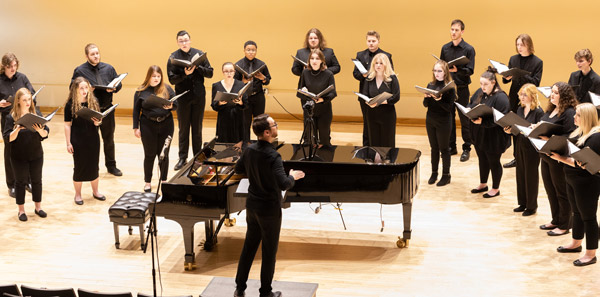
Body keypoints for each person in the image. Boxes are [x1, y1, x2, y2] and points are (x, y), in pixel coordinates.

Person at [234, 114, 305, 297]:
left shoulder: (249, 150)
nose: (276, 127)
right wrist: (293, 176)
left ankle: (240, 287)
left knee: (249, 246)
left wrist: (255, 172)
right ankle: (265, 292)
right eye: (274, 125)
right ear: (267, 132)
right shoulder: (274, 155)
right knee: (268, 251)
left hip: (252, 206)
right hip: (269, 209)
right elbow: (284, 184)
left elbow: (238, 169)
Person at [551, 103, 600, 266]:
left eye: (577, 114)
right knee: (576, 213)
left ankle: (591, 253)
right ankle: (576, 243)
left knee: (588, 217)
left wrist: (560, 158)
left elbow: (585, 163)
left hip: (587, 183)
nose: (574, 117)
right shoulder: (579, 132)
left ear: (585, 117)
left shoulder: (595, 137)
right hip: (573, 180)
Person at [71, 43, 123, 176]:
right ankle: (92, 167)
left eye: (97, 53)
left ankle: (111, 166)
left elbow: (119, 83)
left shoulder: (109, 68)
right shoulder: (80, 70)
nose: (96, 56)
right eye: (93, 54)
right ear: (87, 56)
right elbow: (72, 87)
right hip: (90, 111)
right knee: (90, 141)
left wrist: (114, 87)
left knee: (109, 139)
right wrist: (87, 89)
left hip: (107, 109)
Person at [167, 30, 214, 170]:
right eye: (181, 41)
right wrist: (185, 74)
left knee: (197, 128)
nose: (184, 43)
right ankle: (182, 158)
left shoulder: (199, 54)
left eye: (186, 40)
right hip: (182, 97)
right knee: (183, 128)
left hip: (198, 96)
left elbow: (210, 73)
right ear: (177, 42)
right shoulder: (173, 57)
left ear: (190, 40)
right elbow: (172, 79)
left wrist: (197, 67)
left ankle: (197, 157)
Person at [538, 82, 577, 236]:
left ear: (564, 96)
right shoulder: (551, 109)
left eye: (555, 92)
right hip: (546, 155)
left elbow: (571, 135)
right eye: (551, 92)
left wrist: (550, 138)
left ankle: (564, 224)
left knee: (561, 191)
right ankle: (556, 219)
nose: (552, 95)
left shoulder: (568, 113)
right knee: (550, 190)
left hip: (558, 157)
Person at [3, 88, 48, 221]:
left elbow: (45, 134)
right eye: (24, 100)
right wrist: (16, 129)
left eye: (29, 99)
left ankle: (38, 207)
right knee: (20, 182)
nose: (28, 102)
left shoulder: (36, 114)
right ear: (18, 101)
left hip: (36, 154)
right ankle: (21, 211)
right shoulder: (11, 117)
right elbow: (8, 138)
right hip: (18, 156)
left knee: (37, 181)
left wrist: (40, 130)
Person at [501, 34, 543, 168]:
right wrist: (506, 77)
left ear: (529, 45)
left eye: (522, 45)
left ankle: (529, 155)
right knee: (515, 126)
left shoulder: (537, 62)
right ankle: (516, 157)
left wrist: (521, 74)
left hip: (529, 98)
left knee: (527, 126)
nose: (519, 47)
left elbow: (536, 82)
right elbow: (505, 80)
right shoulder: (513, 59)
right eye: (517, 45)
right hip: (514, 96)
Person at [132, 65, 176, 193]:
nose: (156, 78)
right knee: (150, 154)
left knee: (164, 155)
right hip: (147, 125)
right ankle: (148, 181)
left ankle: (163, 180)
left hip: (166, 124)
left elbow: (176, 104)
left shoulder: (166, 88)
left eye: (158, 76)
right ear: (148, 77)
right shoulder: (141, 90)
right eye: (153, 76)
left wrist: (171, 107)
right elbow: (136, 111)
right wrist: (136, 127)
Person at [468, 67, 510, 198]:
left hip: (494, 137)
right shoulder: (480, 92)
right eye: (481, 84)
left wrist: (483, 122)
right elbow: (470, 104)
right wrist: (469, 111)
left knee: (493, 161)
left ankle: (495, 188)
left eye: (485, 84)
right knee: (482, 159)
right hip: (480, 134)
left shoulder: (501, 98)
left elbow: (501, 119)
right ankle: (483, 183)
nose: (482, 87)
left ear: (493, 82)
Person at [504, 84, 544, 216]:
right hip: (520, 145)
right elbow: (517, 129)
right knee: (520, 174)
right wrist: (510, 130)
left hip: (532, 148)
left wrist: (533, 128)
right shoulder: (519, 110)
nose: (521, 97)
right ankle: (522, 203)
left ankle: (531, 206)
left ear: (532, 96)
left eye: (524, 95)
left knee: (530, 176)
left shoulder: (538, 112)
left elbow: (541, 133)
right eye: (520, 94)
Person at [64, 77, 105, 205]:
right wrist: (68, 143)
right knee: (79, 167)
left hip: (93, 139)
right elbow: (67, 125)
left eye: (86, 87)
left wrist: (98, 122)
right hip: (78, 140)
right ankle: (78, 194)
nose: (84, 90)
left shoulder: (94, 101)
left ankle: (96, 191)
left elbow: (99, 121)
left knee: (94, 165)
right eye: (81, 88)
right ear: (75, 89)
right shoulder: (70, 105)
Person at [0, 53, 36, 198]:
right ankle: (12, 184)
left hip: (24, 117)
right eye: (9, 66)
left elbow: (32, 94)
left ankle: (27, 181)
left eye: (15, 65)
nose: (13, 69)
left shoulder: (22, 78)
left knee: (26, 150)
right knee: (10, 151)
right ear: (4, 66)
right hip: (8, 118)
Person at [440, 19, 476, 162]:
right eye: (452, 29)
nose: (453, 32)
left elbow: (470, 70)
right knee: (449, 119)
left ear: (462, 31)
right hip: (448, 88)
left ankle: (466, 148)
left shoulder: (468, 49)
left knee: (464, 119)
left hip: (462, 88)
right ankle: (451, 146)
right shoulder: (445, 48)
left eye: (456, 30)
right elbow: (442, 66)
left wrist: (457, 69)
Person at [353, 31, 394, 146]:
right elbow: (355, 74)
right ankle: (367, 148)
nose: (371, 43)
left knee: (382, 124)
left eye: (373, 41)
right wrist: (363, 75)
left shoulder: (386, 55)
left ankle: (382, 147)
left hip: (382, 95)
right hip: (366, 95)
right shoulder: (360, 55)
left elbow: (390, 74)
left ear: (378, 41)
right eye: (369, 41)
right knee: (367, 124)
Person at [423, 60, 456, 186]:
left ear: (445, 72)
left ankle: (446, 175)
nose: (436, 73)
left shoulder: (450, 88)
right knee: (433, 148)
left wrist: (439, 100)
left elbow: (448, 109)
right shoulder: (430, 85)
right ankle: (434, 172)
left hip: (443, 121)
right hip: (430, 119)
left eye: (439, 71)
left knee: (444, 148)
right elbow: (425, 105)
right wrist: (426, 98)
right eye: (435, 70)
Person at [296, 49, 337, 147]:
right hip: (310, 110)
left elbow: (333, 93)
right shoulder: (305, 73)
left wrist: (323, 99)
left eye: (317, 58)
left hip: (324, 109)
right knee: (311, 140)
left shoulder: (328, 74)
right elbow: (299, 92)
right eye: (312, 58)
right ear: (309, 60)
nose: (314, 61)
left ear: (322, 61)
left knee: (324, 139)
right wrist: (305, 92)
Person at [234, 40, 271, 142]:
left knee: (260, 122)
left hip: (258, 96)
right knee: (245, 123)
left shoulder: (261, 64)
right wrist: (243, 81)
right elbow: (234, 84)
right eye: (248, 50)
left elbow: (267, 81)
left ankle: (261, 143)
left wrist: (263, 78)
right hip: (245, 97)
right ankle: (246, 144)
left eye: (253, 50)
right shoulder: (238, 65)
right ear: (244, 51)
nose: (251, 52)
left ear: (256, 51)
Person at [360, 53, 400, 147]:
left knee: (387, 142)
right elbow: (365, 94)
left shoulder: (392, 78)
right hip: (372, 113)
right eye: (376, 63)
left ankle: (387, 161)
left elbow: (396, 97)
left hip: (387, 115)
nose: (378, 65)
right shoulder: (369, 78)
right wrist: (368, 102)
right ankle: (375, 161)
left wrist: (381, 101)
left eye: (381, 63)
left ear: (386, 64)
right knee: (373, 141)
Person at [211, 62, 248, 143]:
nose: (229, 73)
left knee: (238, 144)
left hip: (237, 118)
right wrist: (220, 103)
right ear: (222, 72)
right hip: (223, 119)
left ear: (234, 72)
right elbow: (213, 105)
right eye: (226, 71)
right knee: (223, 145)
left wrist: (240, 102)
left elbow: (245, 104)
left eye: (231, 71)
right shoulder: (216, 85)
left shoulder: (241, 84)